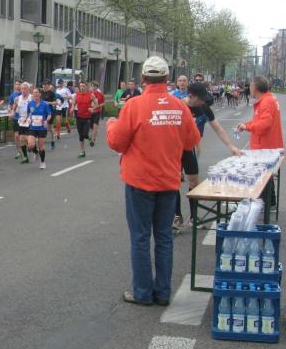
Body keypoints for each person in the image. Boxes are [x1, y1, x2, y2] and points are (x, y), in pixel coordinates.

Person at [106, 57, 200, 306]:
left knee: (140, 237)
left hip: (139, 181)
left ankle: (142, 292)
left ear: (143, 79)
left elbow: (116, 142)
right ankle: (163, 292)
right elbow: (191, 141)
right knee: (164, 237)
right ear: (167, 79)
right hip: (168, 180)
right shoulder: (179, 106)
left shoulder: (134, 105)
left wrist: (111, 124)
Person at [173, 82, 242, 231]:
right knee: (174, 181)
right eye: (200, 99)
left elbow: (218, 128)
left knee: (193, 181)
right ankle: (177, 216)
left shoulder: (204, 108)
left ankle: (194, 217)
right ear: (191, 96)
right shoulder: (177, 105)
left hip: (189, 148)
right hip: (174, 148)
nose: (202, 102)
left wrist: (231, 146)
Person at [237, 76, 284, 206]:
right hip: (266, 145)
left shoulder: (266, 102)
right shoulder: (268, 99)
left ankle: (267, 203)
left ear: (255, 88)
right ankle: (270, 202)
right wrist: (246, 125)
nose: (249, 88)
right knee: (266, 176)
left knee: (264, 177)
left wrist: (247, 127)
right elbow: (260, 121)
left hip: (265, 146)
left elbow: (265, 124)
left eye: (251, 85)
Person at [27, 87, 53, 169]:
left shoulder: (44, 104)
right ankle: (35, 152)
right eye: (33, 92)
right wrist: (27, 119)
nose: (35, 94)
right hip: (33, 127)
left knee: (41, 146)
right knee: (30, 144)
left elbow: (49, 114)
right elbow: (28, 113)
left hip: (42, 128)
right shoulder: (30, 103)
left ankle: (42, 162)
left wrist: (46, 120)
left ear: (40, 94)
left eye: (36, 92)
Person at [72, 81, 97, 158]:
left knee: (85, 134)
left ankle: (89, 138)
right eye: (81, 86)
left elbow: (96, 104)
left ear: (86, 86)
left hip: (87, 118)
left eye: (83, 86)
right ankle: (82, 152)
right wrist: (72, 108)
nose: (82, 88)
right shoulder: (77, 95)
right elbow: (73, 103)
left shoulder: (91, 95)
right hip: (79, 117)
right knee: (81, 135)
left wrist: (92, 108)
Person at [11, 82, 33, 162]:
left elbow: (35, 108)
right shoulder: (17, 99)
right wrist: (12, 112)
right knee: (21, 138)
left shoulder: (32, 98)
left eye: (25, 89)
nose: (23, 90)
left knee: (29, 139)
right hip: (21, 121)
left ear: (28, 89)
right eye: (22, 89)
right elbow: (14, 108)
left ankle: (33, 148)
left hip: (30, 120)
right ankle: (25, 157)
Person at [89, 81, 105, 146]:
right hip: (90, 112)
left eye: (94, 86)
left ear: (97, 87)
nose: (93, 87)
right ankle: (91, 136)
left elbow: (103, 103)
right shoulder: (88, 94)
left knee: (95, 126)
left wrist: (99, 105)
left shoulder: (100, 94)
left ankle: (93, 139)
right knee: (91, 127)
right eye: (92, 86)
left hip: (97, 112)